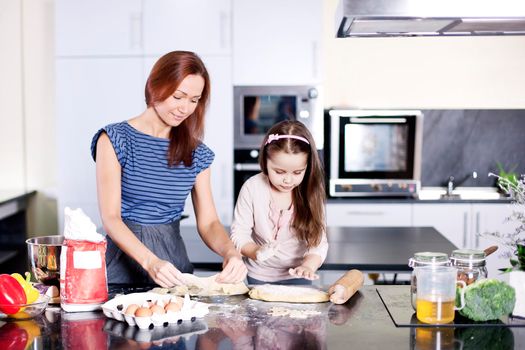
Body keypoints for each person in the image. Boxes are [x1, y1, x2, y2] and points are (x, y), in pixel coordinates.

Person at [91, 51, 247, 287]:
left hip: (173, 267)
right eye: (178, 96)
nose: (185, 108)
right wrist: (151, 262)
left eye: (194, 100)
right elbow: (111, 218)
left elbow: (209, 223)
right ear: (155, 87)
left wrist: (231, 253)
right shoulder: (114, 139)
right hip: (120, 268)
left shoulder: (196, 152)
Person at [230, 120, 328, 285]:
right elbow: (239, 233)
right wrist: (256, 251)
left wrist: (308, 266)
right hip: (259, 275)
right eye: (279, 171)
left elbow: (318, 241)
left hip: (298, 276)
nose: (288, 180)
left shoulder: (311, 191)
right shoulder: (252, 188)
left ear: (308, 166)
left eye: (297, 172)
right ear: (265, 161)